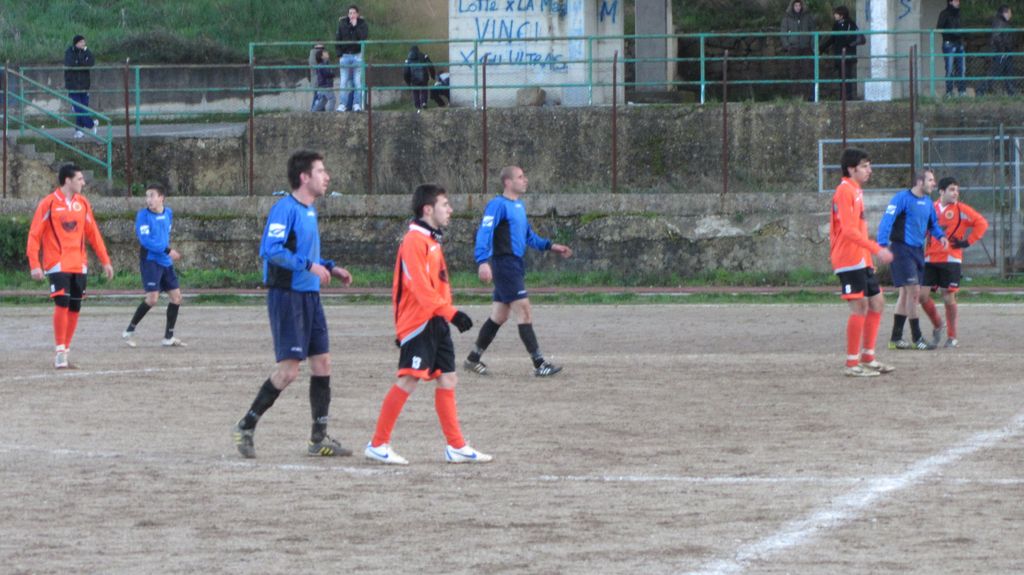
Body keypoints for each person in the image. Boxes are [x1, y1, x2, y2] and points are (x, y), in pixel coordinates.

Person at [232, 150, 354, 459]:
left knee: (322, 363)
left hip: (310, 295)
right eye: (321, 171)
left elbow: (304, 253)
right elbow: (271, 250)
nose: (326, 177)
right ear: (304, 177)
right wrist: (309, 266)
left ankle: (318, 438)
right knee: (288, 372)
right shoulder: (284, 209)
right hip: (287, 296)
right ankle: (246, 425)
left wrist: (329, 267)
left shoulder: (309, 210)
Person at [364, 184, 492, 465]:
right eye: (445, 204)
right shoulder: (414, 241)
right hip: (419, 322)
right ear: (428, 209)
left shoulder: (431, 241)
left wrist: (445, 314)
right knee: (409, 379)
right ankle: (378, 444)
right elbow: (420, 288)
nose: (450, 210)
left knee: (448, 378)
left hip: (436, 320)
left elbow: (436, 286)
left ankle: (456, 447)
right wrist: (452, 313)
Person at [463, 166, 573, 377]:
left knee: (499, 315)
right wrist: (482, 261)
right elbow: (484, 232)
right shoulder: (497, 205)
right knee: (524, 310)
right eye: (520, 177)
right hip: (504, 264)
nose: (525, 180)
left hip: (515, 264)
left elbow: (529, 236)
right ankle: (539, 364)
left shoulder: (519, 206)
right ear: (508, 182)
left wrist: (551, 246)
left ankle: (472, 359)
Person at [26, 164, 114, 369]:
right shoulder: (48, 203)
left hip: (79, 263)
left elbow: (93, 233)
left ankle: (65, 351)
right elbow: (34, 234)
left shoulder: (83, 203)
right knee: (62, 303)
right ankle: (59, 352)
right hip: (57, 263)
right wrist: (34, 264)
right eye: (80, 179)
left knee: (75, 306)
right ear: (67, 180)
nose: (83, 182)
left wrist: (105, 260)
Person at [829, 148, 894, 377]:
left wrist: (868, 257)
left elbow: (858, 230)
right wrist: (877, 249)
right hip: (848, 258)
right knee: (860, 307)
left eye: (869, 165)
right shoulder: (844, 191)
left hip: (861, 258)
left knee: (877, 302)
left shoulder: (856, 190)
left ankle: (868, 357)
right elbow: (848, 231)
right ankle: (851, 364)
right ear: (851, 169)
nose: (869, 170)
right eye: (864, 166)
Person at [877, 170, 948, 351]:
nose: (934, 184)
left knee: (905, 295)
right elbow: (887, 220)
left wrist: (940, 236)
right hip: (901, 249)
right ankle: (917, 338)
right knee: (914, 291)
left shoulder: (928, 203)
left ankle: (895, 339)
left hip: (917, 251)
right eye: (930, 180)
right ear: (919, 181)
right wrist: (882, 244)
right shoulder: (901, 198)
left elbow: (933, 225)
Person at [919, 177, 989, 348]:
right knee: (922, 296)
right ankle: (938, 324)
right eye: (951, 189)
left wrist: (967, 242)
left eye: (957, 190)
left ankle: (952, 337)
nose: (955, 193)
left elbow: (982, 223)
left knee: (948, 296)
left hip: (951, 259)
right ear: (941, 191)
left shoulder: (961, 209)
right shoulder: (930, 208)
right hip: (929, 258)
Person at [121, 183, 186, 348]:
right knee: (152, 299)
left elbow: (164, 235)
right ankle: (129, 331)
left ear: (161, 198)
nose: (148, 199)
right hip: (150, 260)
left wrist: (166, 252)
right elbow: (146, 241)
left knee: (176, 297)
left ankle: (168, 337)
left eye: (152, 195)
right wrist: (167, 250)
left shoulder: (168, 213)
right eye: (147, 196)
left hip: (165, 261)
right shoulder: (143, 215)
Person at [820, 6, 864, 101]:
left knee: (847, 76)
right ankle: (843, 97)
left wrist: (847, 44)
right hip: (839, 54)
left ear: (841, 15)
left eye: (836, 14)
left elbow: (856, 38)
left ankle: (848, 97)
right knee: (842, 76)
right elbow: (833, 38)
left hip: (848, 54)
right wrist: (823, 47)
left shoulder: (850, 24)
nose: (834, 15)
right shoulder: (836, 25)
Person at [780, 0, 817, 101]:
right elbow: (783, 33)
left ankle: (808, 96)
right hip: (793, 48)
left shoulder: (808, 17)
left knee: (807, 72)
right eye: (796, 5)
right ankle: (795, 96)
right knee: (794, 72)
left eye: (799, 5)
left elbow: (813, 31)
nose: (798, 7)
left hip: (806, 48)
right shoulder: (787, 18)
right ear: (792, 6)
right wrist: (787, 46)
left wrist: (812, 46)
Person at [335, 5, 368, 112]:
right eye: (350, 13)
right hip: (345, 56)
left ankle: (356, 104)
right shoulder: (342, 24)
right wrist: (339, 54)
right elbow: (338, 39)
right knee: (343, 81)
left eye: (354, 13)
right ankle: (342, 105)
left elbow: (363, 38)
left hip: (357, 55)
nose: (352, 15)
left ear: (357, 14)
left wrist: (355, 26)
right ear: (348, 14)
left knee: (357, 81)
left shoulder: (362, 24)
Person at [63, 34, 97, 139]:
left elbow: (91, 62)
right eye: (82, 42)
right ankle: (91, 124)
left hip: (84, 85)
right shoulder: (69, 52)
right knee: (78, 108)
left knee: (83, 107)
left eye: (84, 42)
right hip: (73, 85)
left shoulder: (86, 51)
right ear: (76, 43)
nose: (84, 44)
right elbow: (71, 63)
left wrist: (84, 58)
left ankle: (79, 130)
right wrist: (83, 62)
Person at [979, 6, 1016, 97]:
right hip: (1001, 51)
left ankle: (1011, 92)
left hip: (1006, 51)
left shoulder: (1003, 22)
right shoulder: (999, 22)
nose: (1011, 15)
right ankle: (981, 90)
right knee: (995, 71)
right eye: (1009, 12)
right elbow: (996, 37)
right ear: (1004, 13)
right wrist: (1002, 50)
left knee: (1008, 72)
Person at [937, 0, 967, 97]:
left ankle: (962, 91)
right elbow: (939, 28)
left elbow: (963, 27)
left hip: (959, 43)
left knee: (961, 69)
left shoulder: (960, 13)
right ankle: (949, 92)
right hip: (949, 44)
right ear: (950, 2)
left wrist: (962, 37)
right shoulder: (944, 14)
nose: (958, 2)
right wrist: (951, 34)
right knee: (949, 69)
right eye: (956, 1)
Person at [403, 45, 437, 112]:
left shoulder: (408, 59)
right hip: (424, 77)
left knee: (415, 92)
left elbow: (406, 72)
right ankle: (424, 103)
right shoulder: (424, 56)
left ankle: (417, 107)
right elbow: (430, 66)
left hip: (413, 79)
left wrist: (408, 82)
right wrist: (433, 75)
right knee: (424, 90)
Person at [311, 48, 337, 112]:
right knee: (332, 99)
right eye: (325, 53)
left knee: (323, 101)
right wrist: (332, 74)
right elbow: (325, 74)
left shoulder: (325, 64)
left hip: (323, 85)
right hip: (325, 85)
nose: (327, 53)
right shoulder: (322, 65)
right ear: (322, 57)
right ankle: (330, 113)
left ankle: (313, 112)